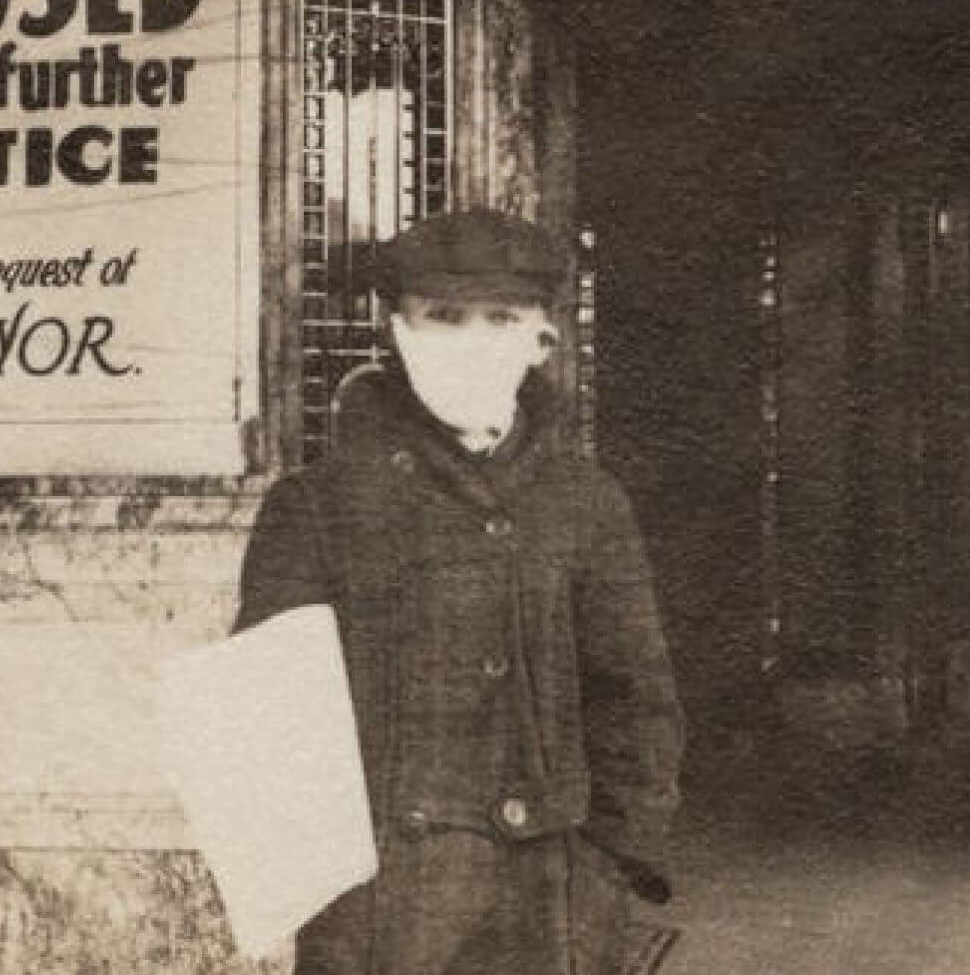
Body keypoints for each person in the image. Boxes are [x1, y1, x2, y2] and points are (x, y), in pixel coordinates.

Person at [234, 207, 684, 975]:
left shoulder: (586, 502)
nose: (471, 342)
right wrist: (337, 903)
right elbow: (268, 725)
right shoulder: (315, 506)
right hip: (386, 915)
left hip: (554, 906)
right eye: (443, 318)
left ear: (541, 337)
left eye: (499, 318)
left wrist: (610, 867)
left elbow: (635, 701)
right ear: (397, 332)